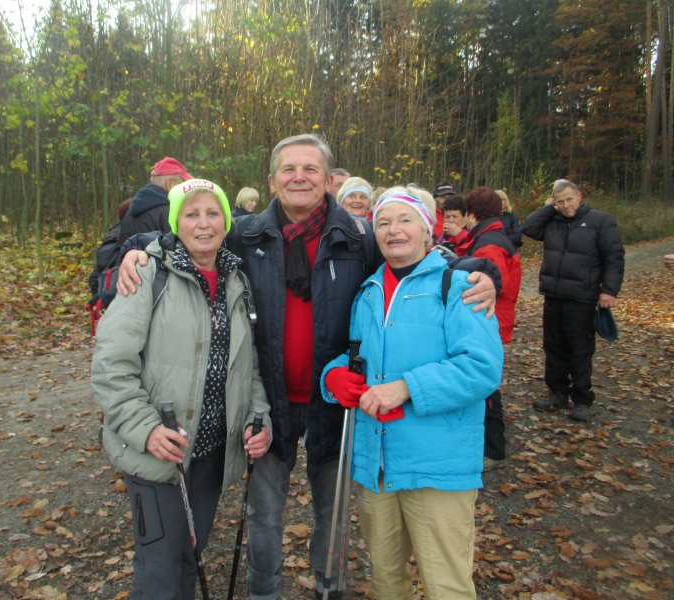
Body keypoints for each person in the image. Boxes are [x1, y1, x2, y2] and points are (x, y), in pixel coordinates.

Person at [115, 134, 499, 600]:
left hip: (334, 402)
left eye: (311, 169)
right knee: (264, 514)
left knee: (332, 513)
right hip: (266, 402)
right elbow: (187, 236)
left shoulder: (358, 237)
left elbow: (418, 258)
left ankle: (328, 589)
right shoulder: (246, 232)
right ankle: (263, 593)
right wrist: (136, 252)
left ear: (327, 178)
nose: (299, 177)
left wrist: (482, 271)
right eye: (289, 169)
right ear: (273, 179)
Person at [91, 178, 272, 600]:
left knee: (190, 558)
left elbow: (251, 369)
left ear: (227, 222)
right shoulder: (146, 274)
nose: (203, 223)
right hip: (158, 452)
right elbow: (111, 366)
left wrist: (254, 419)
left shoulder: (237, 281)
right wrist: (147, 430)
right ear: (176, 223)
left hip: (209, 455)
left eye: (214, 214)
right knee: (159, 569)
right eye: (192, 214)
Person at [321, 187, 503, 600]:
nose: (393, 230)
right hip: (376, 465)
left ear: (427, 228)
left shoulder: (458, 286)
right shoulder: (367, 292)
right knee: (387, 581)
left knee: (447, 586)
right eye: (383, 222)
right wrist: (333, 379)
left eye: (405, 220)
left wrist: (406, 388)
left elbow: (482, 368)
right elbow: (355, 359)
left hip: (435, 466)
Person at [522, 179, 625, 422]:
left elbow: (614, 257)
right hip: (554, 294)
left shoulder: (601, 221)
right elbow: (528, 227)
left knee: (579, 349)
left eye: (569, 199)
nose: (566, 205)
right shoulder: (552, 221)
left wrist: (609, 290)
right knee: (553, 346)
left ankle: (582, 399)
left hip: (583, 296)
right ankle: (557, 393)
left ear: (579, 197)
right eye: (560, 202)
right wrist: (549, 208)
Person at [457, 187, 522, 470]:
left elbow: (496, 284)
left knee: (486, 386)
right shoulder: (490, 236)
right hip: (492, 318)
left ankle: (493, 449)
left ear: (472, 214)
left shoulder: (490, 243)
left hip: (490, 318)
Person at [119, 157, 192, 242]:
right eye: (182, 183)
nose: (185, 189)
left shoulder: (129, 212)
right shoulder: (171, 212)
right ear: (170, 184)